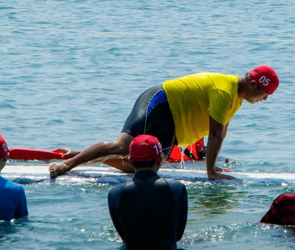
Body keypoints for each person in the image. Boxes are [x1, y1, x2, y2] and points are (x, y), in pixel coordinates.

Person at [50, 66, 279, 181]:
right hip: (159, 102)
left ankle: (87, 154)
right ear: (253, 84)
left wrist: (214, 167)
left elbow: (222, 131)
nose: (265, 99)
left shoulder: (237, 98)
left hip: (173, 121)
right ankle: (68, 166)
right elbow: (215, 134)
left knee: (141, 168)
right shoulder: (224, 91)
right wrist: (211, 172)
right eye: (266, 93)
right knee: (122, 146)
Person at [107, 135, 188, 250]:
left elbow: (124, 237)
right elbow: (178, 236)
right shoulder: (177, 189)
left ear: (130, 160)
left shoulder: (115, 193)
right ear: (160, 159)